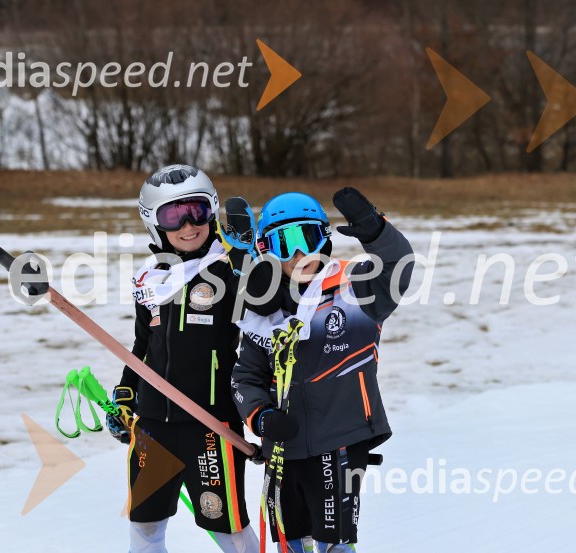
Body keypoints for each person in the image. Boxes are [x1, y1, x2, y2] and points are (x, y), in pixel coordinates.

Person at [232, 188, 413, 552]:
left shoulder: (357, 287)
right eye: (284, 242)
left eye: (307, 237)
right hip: (283, 448)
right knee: (291, 541)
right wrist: (260, 417)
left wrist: (375, 230)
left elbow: (399, 266)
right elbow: (245, 378)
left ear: (323, 240)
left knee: (335, 544)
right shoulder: (262, 312)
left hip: (341, 440)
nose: (299, 253)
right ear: (267, 251)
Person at [107, 164, 260, 553]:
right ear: (153, 223)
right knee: (145, 523)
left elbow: (266, 316)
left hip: (210, 425)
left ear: (212, 211)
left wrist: (247, 264)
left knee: (228, 525)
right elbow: (143, 345)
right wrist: (126, 392)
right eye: (174, 215)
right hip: (154, 425)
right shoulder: (150, 280)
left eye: (198, 211)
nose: (189, 225)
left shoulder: (227, 274)